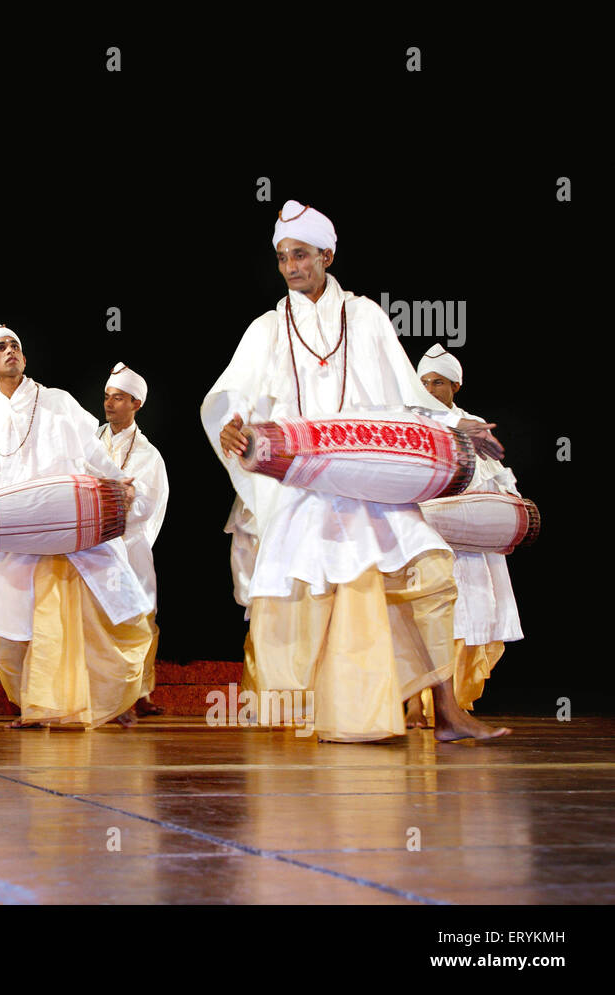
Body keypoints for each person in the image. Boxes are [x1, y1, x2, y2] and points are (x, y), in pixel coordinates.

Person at [201, 201, 510, 743]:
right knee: (310, 591)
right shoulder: (268, 327)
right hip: (308, 481)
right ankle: (340, 713)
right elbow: (231, 396)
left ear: (328, 254)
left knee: (428, 573)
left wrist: (457, 425)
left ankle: (447, 715)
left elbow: (405, 393)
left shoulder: (365, 315)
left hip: (370, 473)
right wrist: (232, 426)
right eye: (281, 257)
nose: (290, 266)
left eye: (300, 254)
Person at [0, 323, 154, 729]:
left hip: (68, 529)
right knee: (9, 627)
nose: (10, 350)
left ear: (25, 358)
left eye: (15, 345)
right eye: (1, 347)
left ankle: (98, 700)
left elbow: (90, 453)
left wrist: (116, 483)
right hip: (14, 537)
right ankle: (38, 706)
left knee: (82, 618)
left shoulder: (57, 402)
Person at [406, 345, 524, 726]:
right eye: (423, 381)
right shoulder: (409, 424)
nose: (429, 388)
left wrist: (504, 510)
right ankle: (412, 704)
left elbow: (498, 480)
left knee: (463, 617)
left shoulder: (473, 423)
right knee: (414, 615)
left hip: (467, 543)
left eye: (437, 381)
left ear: (456, 384)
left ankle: (447, 705)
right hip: (420, 537)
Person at [98, 363, 169, 723]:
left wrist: (120, 498)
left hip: (130, 546)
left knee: (140, 618)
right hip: (94, 547)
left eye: (119, 398)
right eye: (108, 397)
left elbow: (146, 505)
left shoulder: (147, 455)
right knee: (98, 619)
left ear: (136, 404)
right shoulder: (91, 442)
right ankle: (103, 694)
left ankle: (140, 693)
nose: (110, 404)